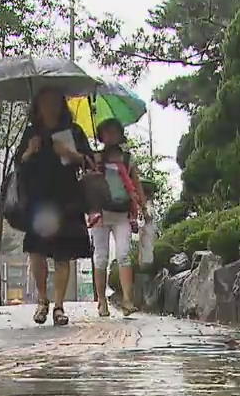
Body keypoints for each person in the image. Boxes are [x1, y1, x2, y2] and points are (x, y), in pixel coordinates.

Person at [15, 86, 94, 326]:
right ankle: (42, 299)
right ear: (37, 107)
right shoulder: (31, 133)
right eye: (45, 102)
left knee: (63, 254)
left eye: (54, 101)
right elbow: (19, 165)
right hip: (38, 201)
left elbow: (90, 162)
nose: (50, 106)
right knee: (36, 252)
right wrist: (29, 151)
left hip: (67, 199)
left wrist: (71, 154)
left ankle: (59, 306)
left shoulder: (74, 131)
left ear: (62, 105)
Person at [88, 118, 149, 317]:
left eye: (114, 132)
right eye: (106, 132)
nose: (111, 136)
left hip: (122, 213)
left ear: (120, 134)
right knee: (101, 257)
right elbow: (87, 181)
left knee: (123, 254)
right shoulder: (96, 158)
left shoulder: (127, 159)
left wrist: (143, 206)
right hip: (100, 213)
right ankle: (102, 301)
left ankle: (127, 300)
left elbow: (136, 183)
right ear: (101, 136)